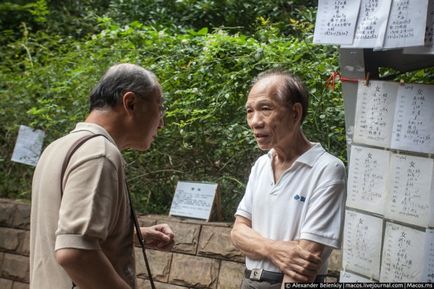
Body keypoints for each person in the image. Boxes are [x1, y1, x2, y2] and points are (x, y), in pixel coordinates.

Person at [30, 63, 175, 289]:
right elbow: (75, 253)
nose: (162, 122)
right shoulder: (100, 153)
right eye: (159, 106)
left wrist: (131, 234)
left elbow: (62, 234)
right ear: (131, 103)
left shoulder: (58, 148)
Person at [230, 69, 346, 289]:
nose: (255, 121)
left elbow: (303, 264)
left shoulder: (327, 169)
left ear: (295, 113)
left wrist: (257, 244)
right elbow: (237, 232)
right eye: (249, 111)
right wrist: (274, 249)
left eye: (265, 108)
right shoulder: (261, 165)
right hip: (249, 281)